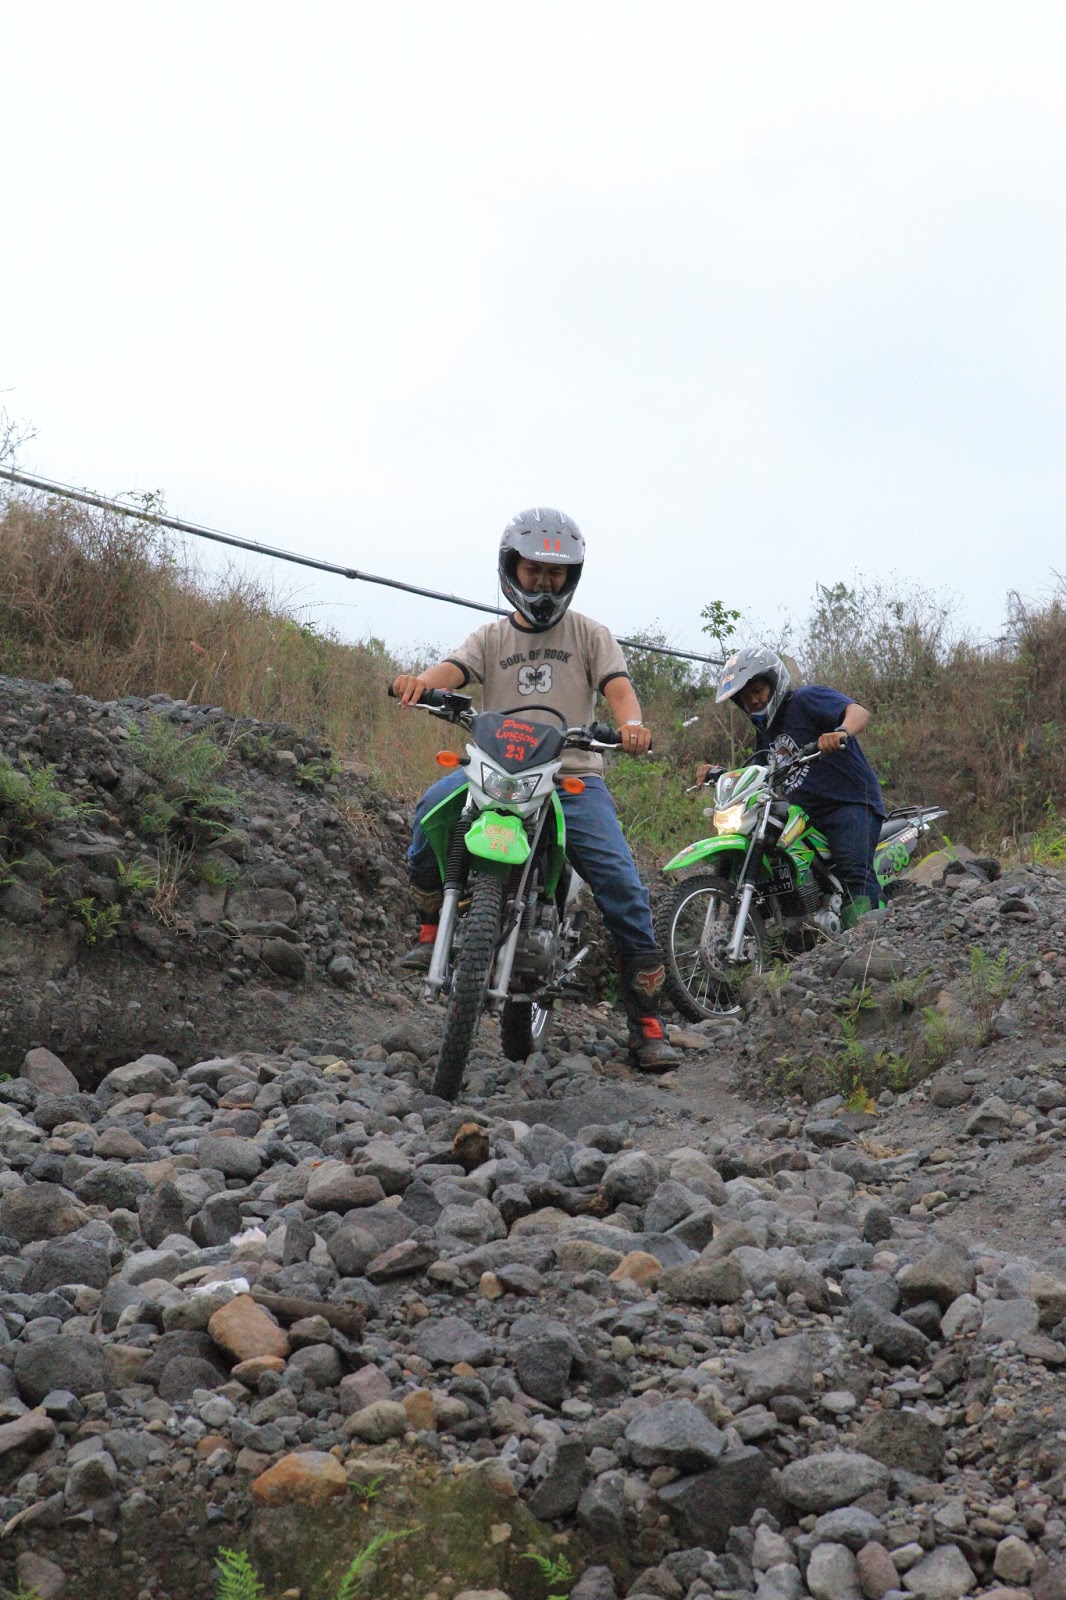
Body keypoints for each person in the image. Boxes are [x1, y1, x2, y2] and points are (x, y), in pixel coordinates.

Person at [390, 507, 678, 1072]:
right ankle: (431, 930)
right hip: (493, 770)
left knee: (622, 884)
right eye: (533, 569)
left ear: (570, 577)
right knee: (429, 813)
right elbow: (450, 672)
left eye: (556, 572)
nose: (544, 582)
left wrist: (633, 725)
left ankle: (647, 1022)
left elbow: (618, 690)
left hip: (571, 776)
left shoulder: (590, 634)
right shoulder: (490, 637)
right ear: (511, 569)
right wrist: (417, 685)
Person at [703, 645, 885, 927]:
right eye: (744, 697)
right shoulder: (765, 734)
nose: (752, 700)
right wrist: (720, 774)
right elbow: (761, 773)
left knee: (854, 871)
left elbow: (858, 712)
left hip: (849, 803)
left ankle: (872, 941)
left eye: (758, 690)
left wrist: (840, 732)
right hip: (804, 816)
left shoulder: (806, 699)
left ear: (775, 682)